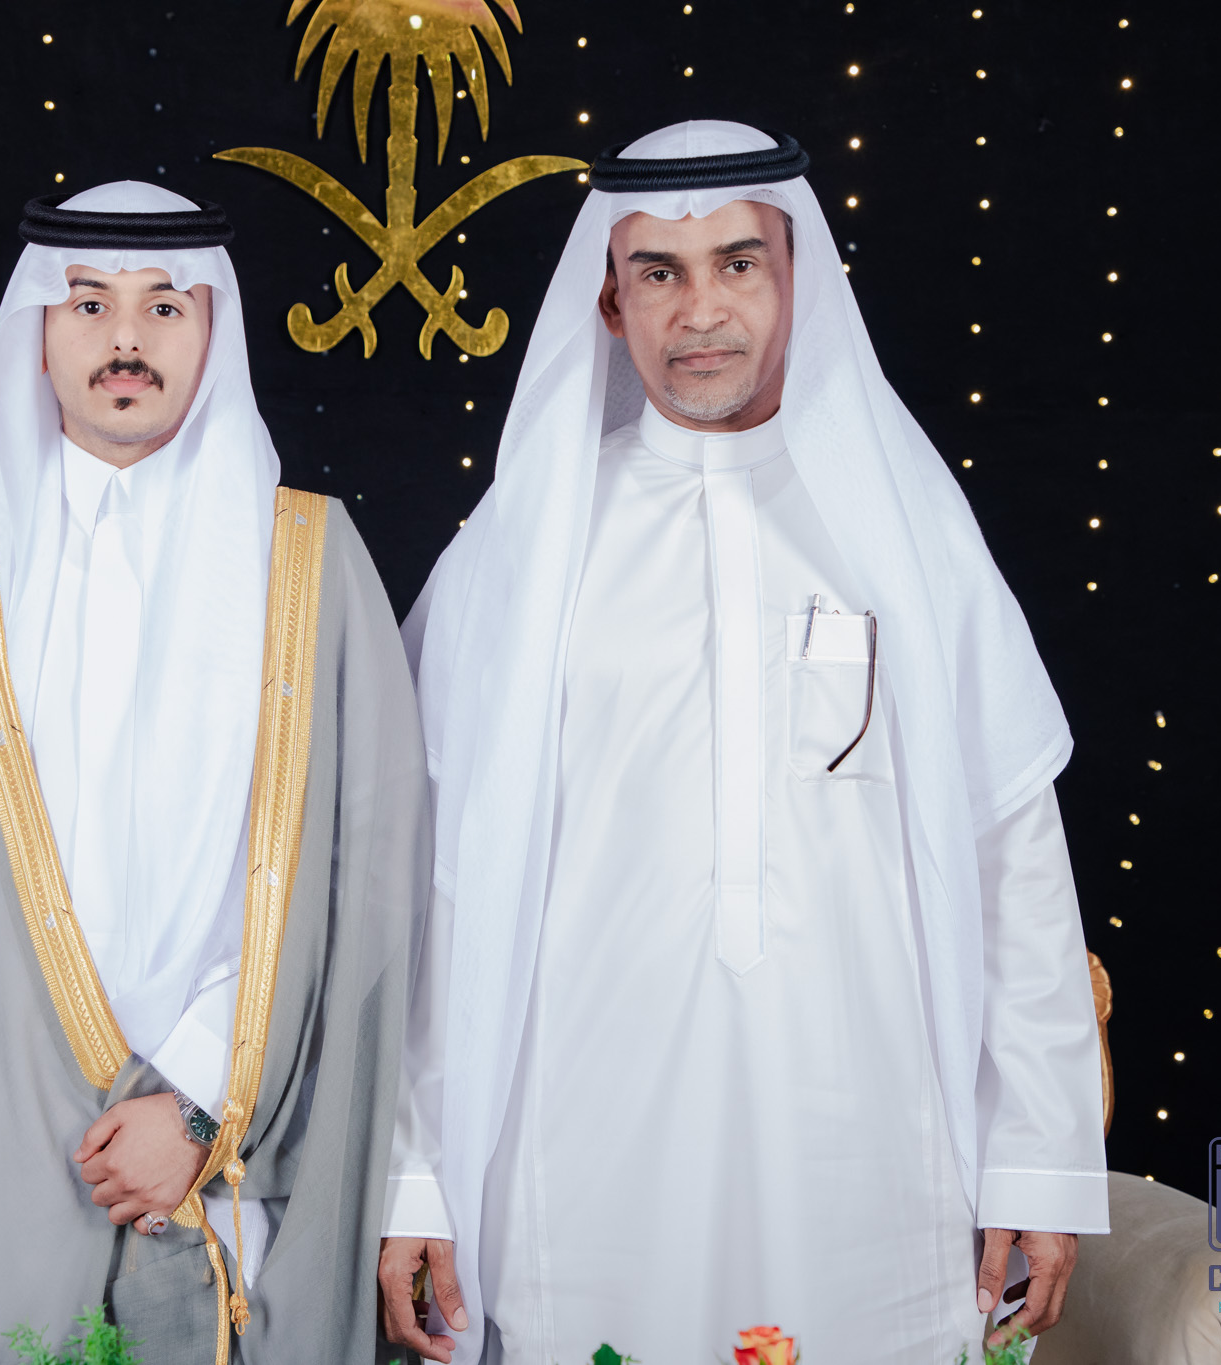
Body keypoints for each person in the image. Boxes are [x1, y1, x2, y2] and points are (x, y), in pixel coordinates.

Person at [378, 122, 1109, 1363]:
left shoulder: (905, 529)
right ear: (608, 303)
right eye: (658, 272)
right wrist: (414, 1176)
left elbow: (1012, 863)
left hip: (873, 1156)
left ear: (794, 281)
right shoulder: (521, 547)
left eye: (736, 264)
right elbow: (432, 895)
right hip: (579, 1160)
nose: (699, 309)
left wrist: (1037, 1157)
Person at [0, 181, 429, 1364]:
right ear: (36, 331)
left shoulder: (309, 560)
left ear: (212, 333)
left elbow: (367, 879)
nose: (125, 338)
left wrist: (200, 1100)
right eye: (87, 304)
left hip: (223, 1148)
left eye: (163, 306)